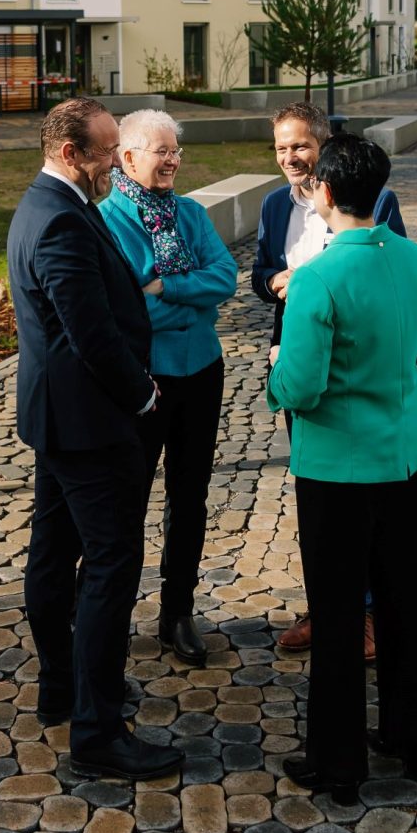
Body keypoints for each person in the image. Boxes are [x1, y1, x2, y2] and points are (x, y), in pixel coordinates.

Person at [6, 96, 183, 782]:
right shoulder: (57, 223)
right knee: (110, 565)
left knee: (53, 554)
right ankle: (98, 732)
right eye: (108, 149)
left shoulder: (47, 204)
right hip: (87, 421)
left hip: (60, 417)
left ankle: (62, 687)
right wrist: (142, 393)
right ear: (69, 152)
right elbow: (89, 333)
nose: (118, 159)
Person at [267, 134, 417, 804]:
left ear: (329, 193)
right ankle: (412, 733)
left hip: (340, 466)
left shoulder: (317, 276)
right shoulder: (413, 256)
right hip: (407, 454)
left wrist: (274, 377)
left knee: (339, 612)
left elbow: (303, 385)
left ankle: (338, 761)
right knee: (404, 593)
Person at [252, 101, 407, 657]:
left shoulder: (376, 200)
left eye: (300, 146)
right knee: (318, 502)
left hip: (360, 375)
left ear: (324, 146)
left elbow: (393, 270)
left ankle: (364, 615)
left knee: (358, 502)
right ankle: (327, 608)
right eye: (281, 148)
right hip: (299, 363)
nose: (291, 158)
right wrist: (276, 283)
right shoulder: (273, 206)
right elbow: (258, 273)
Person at [99, 110, 238, 669]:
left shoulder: (191, 212)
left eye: (176, 149)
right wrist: (182, 296)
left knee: (191, 496)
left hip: (202, 371)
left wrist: (167, 285)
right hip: (144, 378)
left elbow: (225, 277)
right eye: (161, 150)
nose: (173, 159)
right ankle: (111, 612)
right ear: (127, 158)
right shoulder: (108, 221)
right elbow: (131, 307)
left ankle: (177, 611)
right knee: (126, 499)